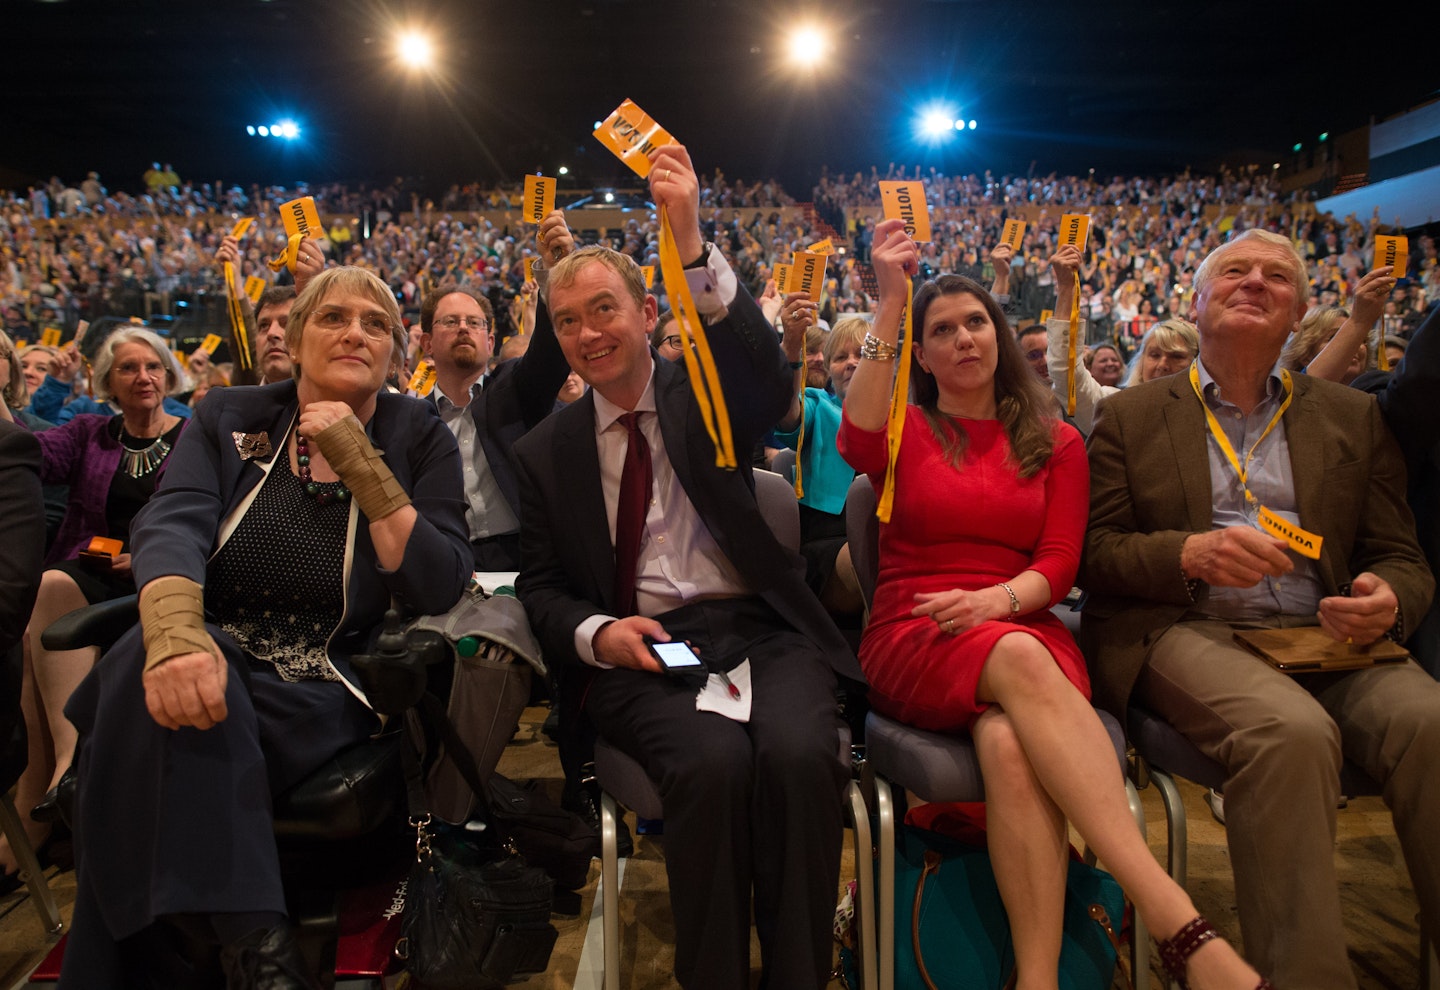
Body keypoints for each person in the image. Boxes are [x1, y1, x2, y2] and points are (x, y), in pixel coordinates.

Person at [838, 217, 1270, 990]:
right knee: (1015, 654)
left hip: (1024, 623)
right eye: (942, 330)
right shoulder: (902, 427)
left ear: (999, 335)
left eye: (976, 322)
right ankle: (1180, 924)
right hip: (919, 626)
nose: (964, 338)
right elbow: (855, 439)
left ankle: (1036, 983)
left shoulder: (1056, 438)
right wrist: (891, 302)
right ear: (922, 350)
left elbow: (1061, 562)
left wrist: (998, 600)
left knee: (1008, 743)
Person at [57, 266, 470, 987]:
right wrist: (178, 639)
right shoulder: (228, 413)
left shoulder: (419, 435)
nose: (354, 332)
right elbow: (172, 523)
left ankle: (180, 958)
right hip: (210, 651)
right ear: (295, 337)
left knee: (126, 713)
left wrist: (360, 461)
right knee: (156, 662)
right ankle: (260, 952)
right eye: (332, 317)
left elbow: (437, 579)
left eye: (376, 324)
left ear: (398, 356)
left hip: (321, 677)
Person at [514, 143, 859, 990]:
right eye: (569, 322)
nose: (590, 334)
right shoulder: (544, 453)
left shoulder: (703, 390)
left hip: (763, 634)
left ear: (644, 311)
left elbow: (768, 372)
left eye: (606, 310)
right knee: (711, 767)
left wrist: (692, 236)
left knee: (800, 756)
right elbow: (541, 587)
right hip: (647, 652)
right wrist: (599, 634)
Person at [1082, 229, 1439, 989]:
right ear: (1197, 301)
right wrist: (1187, 554)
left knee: (1433, 723)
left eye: (1277, 275)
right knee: (1291, 733)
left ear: (1303, 308)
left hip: (1328, 635)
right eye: (1234, 271)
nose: (1255, 282)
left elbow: (1401, 556)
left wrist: (1389, 598)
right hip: (1190, 626)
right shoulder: (1133, 416)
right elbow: (1098, 553)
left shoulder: (1351, 415)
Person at [2, 327, 188, 877]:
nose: (143, 377)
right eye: (128, 368)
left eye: (152, 366)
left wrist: (148, 555)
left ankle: (37, 808)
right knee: (47, 589)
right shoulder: (88, 433)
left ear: (168, 375)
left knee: (32, 652)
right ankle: (66, 768)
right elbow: (19, 449)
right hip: (90, 574)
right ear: (108, 381)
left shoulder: (193, 436)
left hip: (163, 576)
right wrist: (49, 384)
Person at [417, 209, 572, 571]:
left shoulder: (515, 389)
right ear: (426, 343)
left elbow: (548, 354)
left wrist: (553, 275)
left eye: (474, 323)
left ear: (490, 341)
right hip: (449, 562)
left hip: (526, 559)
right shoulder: (413, 418)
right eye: (450, 322)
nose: (463, 328)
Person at [1045, 245, 1199, 434]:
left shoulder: (1214, 412)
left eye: (1176, 357)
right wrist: (1066, 288)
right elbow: (1066, 376)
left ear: (1197, 363)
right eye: (1154, 355)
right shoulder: (1120, 408)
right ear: (1141, 363)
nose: (1163, 365)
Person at [773, 306, 864, 615]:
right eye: (840, 357)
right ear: (829, 370)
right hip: (828, 543)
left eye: (862, 355)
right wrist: (792, 345)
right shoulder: (817, 404)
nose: (852, 363)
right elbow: (787, 414)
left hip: (887, 535)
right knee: (884, 554)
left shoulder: (905, 416)